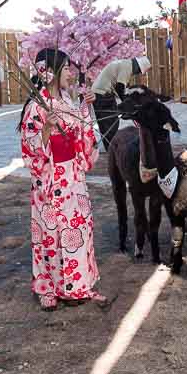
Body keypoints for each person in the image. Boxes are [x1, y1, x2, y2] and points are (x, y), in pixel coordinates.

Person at [18, 48, 112, 312]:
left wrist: (86, 107)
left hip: (73, 176)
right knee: (50, 234)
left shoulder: (69, 102)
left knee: (78, 230)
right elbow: (29, 147)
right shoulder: (36, 106)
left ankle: (78, 286)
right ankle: (49, 288)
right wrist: (47, 130)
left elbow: (83, 134)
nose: (71, 74)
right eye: (67, 69)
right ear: (50, 72)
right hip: (50, 179)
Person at [91, 55, 152, 150]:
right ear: (138, 67)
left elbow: (121, 88)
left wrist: (128, 101)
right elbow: (120, 88)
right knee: (109, 122)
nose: (137, 73)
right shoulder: (127, 67)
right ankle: (111, 149)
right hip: (101, 94)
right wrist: (128, 103)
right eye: (139, 72)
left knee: (111, 121)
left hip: (104, 93)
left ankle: (111, 147)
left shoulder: (125, 64)